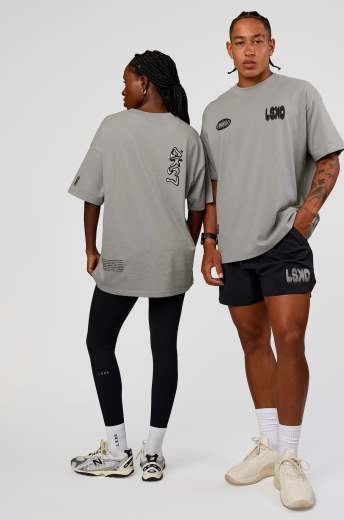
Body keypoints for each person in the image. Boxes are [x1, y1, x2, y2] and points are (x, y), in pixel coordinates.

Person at [200, 11, 344, 509]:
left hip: (284, 240)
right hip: (234, 246)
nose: (249, 50)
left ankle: (290, 457)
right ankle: (267, 445)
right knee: (252, 341)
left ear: (271, 45)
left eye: (257, 40)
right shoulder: (215, 112)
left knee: (290, 337)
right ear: (228, 49)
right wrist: (210, 242)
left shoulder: (299, 94)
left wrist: (305, 216)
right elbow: (212, 185)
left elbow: (329, 159)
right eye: (240, 42)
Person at [67, 50, 209, 481]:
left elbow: (92, 195)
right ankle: (153, 454)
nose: (123, 89)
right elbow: (199, 207)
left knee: (98, 341)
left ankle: (117, 449)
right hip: (171, 258)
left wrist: (90, 248)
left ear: (145, 83)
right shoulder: (187, 137)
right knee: (164, 350)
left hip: (122, 257)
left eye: (126, 80)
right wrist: (184, 245)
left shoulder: (113, 127)